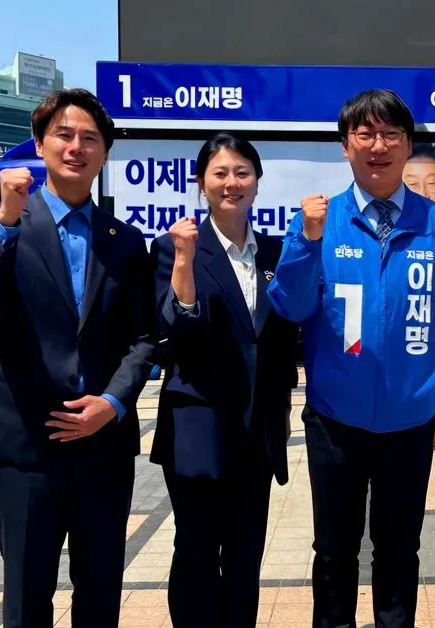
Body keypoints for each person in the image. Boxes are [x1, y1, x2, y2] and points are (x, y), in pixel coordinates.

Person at [268, 88, 435, 628]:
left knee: (399, 549)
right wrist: (307, 241)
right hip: (335, 419)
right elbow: (290, 306)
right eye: (365, 134)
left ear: (408, 145)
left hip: (412, 419)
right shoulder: (320, 221)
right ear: (346, 146)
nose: (378, 146)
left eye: (390, 134)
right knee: (333, 550)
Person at [0, 89, 156, 627]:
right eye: (64, 135)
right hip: (25, 443)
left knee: (100, 594)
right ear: (40, 144)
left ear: (105, 153)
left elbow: (145, 337)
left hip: (102, 446)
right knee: (26, 599)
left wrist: (113, 403)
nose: (77, 147)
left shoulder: (125, 240)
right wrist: (7, 220)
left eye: (90, 139)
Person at [149, 133, 299, 627]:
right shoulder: (175, 247)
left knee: (244, 556)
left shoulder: (276, 253)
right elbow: (175, 327)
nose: (231, 182)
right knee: (196, 551)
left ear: (257, 180)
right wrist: (184, 260)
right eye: (220, 173)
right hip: (198, 429)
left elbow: (285, 335)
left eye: (242, 172)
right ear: (201, 182)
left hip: (258, 432)